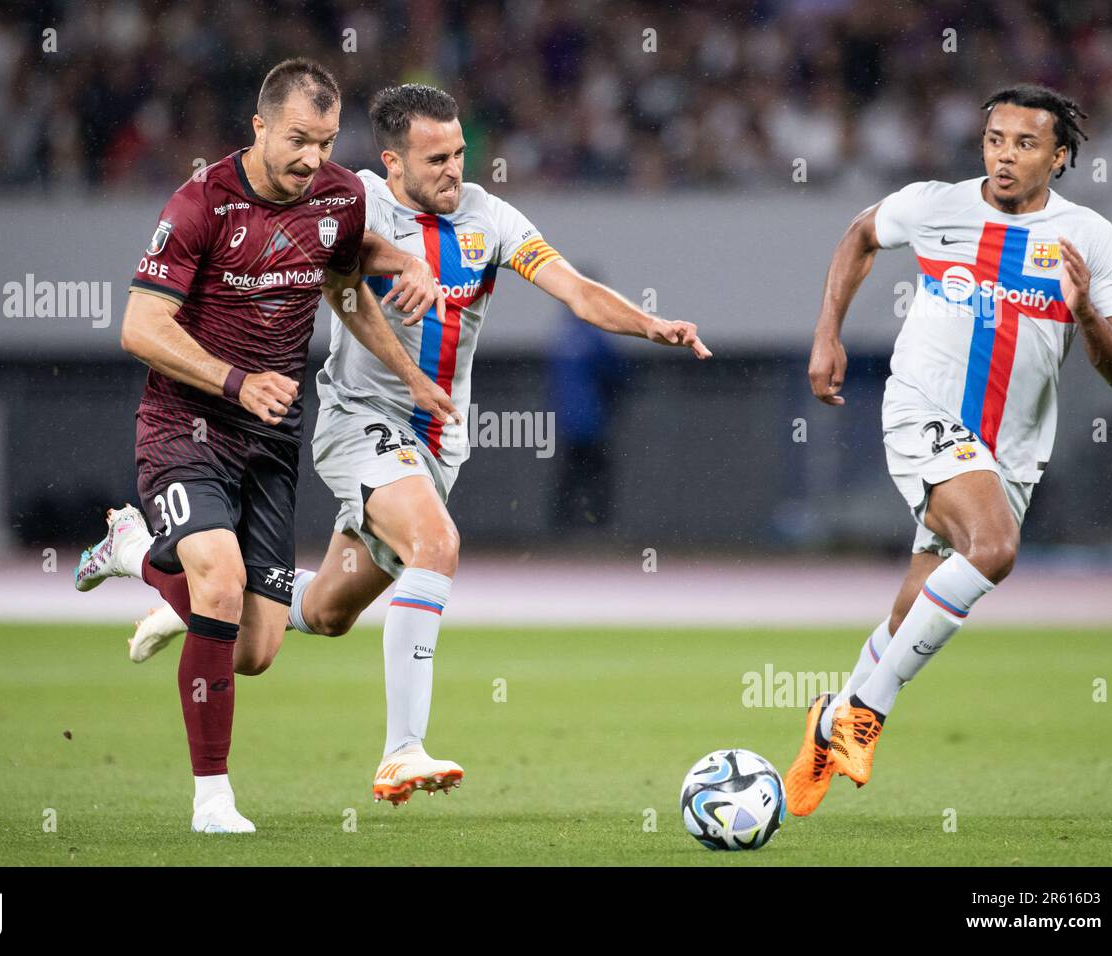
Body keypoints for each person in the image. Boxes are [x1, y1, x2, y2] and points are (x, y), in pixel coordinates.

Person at [122, 83, 711, 807]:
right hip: (358, 418)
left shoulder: (490, 220)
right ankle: (402, 750)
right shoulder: (353, 200)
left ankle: (173, 583)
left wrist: (652, 326)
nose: (454, 169)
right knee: (437, 544)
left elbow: (576, 290)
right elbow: (329, 281)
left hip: (436, 445)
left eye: (460, 153)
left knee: (329, 614)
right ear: (392, 163)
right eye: (436, 158)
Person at [73, 59, 455, 834]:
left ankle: (137, 551)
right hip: (189, 427)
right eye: (297, 140)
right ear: (257, 127)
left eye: (324, 141)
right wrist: (236, 381)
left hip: (271, 443)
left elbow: (347, 275)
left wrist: (410, 334)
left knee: (253, 650)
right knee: (217, 581)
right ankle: (212, 800)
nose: (313, 158)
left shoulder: (340, 196)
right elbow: (139, 328)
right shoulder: (198, 205)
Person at [785, 84, 1112, 817]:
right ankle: (864, 715)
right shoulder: (936, 205)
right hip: (925, 411)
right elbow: (858, 235)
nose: (1006, 156)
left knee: (915, 606)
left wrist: (1084, 317)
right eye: (996, 140)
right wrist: (827, 333)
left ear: (1060, 157)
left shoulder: (1090, 239)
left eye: (1026, 144)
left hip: (1010, 449)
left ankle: (832, 714)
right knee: (997, 547)